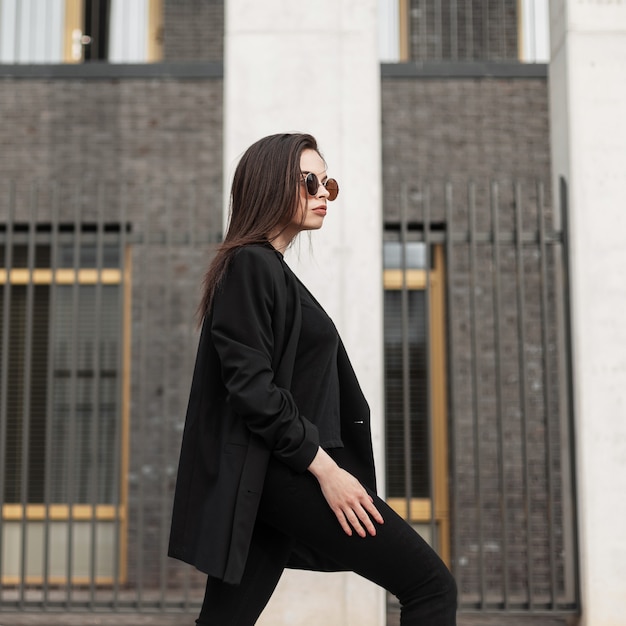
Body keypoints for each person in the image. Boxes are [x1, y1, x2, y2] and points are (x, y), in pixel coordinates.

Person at [168, 132, 457, 625]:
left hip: (273, 475)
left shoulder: (269, 270)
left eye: (328, 183)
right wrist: (327, 472)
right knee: (430, 586)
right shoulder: (250, 265)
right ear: (272, 185)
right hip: (287, 472)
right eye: (310, 181)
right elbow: (252, 390)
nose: (323, 193)